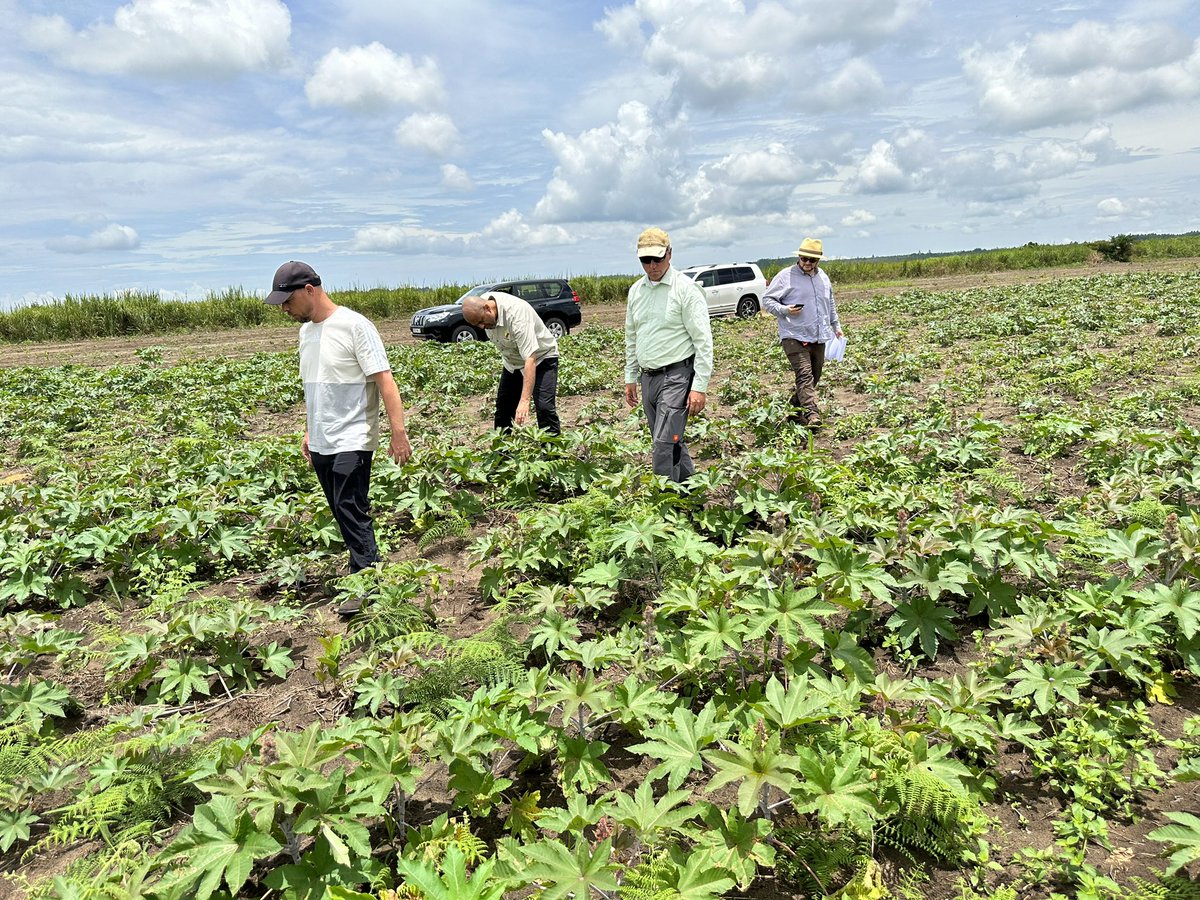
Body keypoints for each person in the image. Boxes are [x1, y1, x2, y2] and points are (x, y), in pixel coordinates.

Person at [263, 261, 412, 614]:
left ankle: (367, 584)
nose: (284, 309)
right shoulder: (306, 333)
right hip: (321, 439)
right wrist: (309, 428)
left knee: (351, 509)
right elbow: (316, 387)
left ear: (309, 290)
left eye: (287, 301)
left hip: (353, 436)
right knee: (340, 510)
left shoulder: (355, 325)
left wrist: (398, 432)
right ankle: (362, 570)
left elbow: (385, 380)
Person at [623, 227, 714, 482]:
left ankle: (663, 498)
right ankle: (690, 490)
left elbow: (703, 341)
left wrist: (699, 387)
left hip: (677, 375)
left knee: (664, 443)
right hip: (647, 377)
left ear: (670, 254)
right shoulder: (636, 291)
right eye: (645, 260)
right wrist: (630, 376)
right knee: (669, 439)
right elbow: (631, 336)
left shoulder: (686, 289)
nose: (652, 266)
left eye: (657, 258)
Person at [762, 238, 844, 428]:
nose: (807, 263)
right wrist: (785, 310)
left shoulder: (823, 278)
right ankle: (812, 414)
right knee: (805, 374)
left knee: (815, 375)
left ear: (818, 260)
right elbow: (767, 300)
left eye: (812, 260)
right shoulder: (786, 276)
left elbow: (830, 303)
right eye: (804, 258)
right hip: (793, 334)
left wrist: (836, 326)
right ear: (799, 257)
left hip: (818, 334)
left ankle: (794, 411)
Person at [461, 291, 561, 434]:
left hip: (541, 357)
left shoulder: (517, 315)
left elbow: (530, 359)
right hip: (513, 362)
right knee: (504, 409)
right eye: (477, 324)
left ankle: (552, 447)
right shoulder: (479, 306)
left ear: (488, 308)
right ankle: (502, 447)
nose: (481, 327)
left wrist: (525, 401)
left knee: (544, 407)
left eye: (481, 321)